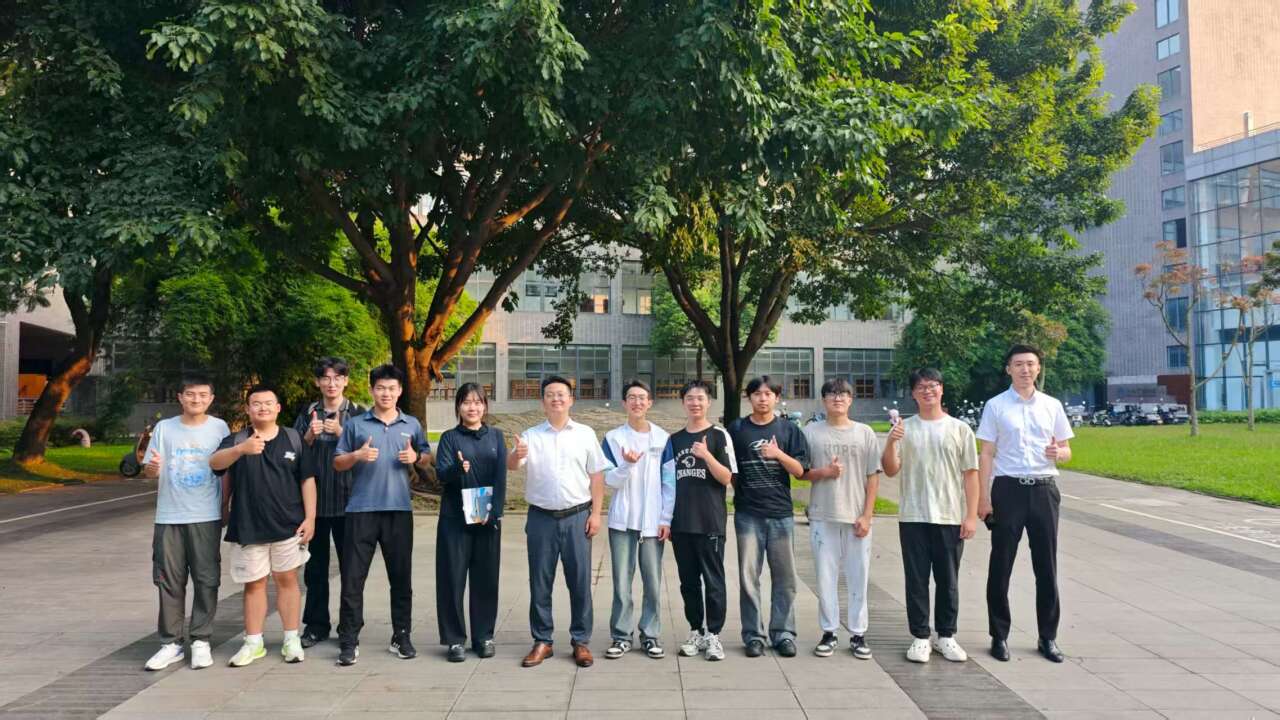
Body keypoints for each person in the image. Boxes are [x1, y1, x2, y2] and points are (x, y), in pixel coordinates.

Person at [976, 345, 1074, 663]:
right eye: (1018, 364)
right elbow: (986, 453)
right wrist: (983, 497)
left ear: (1039, 368)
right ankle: (999, 636)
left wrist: (1059, 453)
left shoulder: (1051, 405)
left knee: (1046, 567)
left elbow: (1066, 450)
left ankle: (1048, 637)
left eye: (1031, 364)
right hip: (1008, 489)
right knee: (1001, 564)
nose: (1025, 369)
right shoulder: (996, 406)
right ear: (1008, 369)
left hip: (1044, 490)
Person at [332, 364, 432, 666]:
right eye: (380, 388)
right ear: (371, 390)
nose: (386, 393)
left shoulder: (411, 424)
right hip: (360, 511)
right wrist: (357, 455)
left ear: (400, 390)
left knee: (401, 578)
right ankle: (349, 639)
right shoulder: (355, 425)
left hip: (398, 511)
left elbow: (426, 457)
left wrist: (416, 457)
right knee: (353, 579)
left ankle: (401, 635)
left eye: (391, 388)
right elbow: (338, 462)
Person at [209, 385, 317, 667]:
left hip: (289, 525)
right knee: (254, 584)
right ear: (247, 409)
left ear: (278, 408)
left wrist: (310, 518)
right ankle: (253, 642)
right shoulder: (237, 439)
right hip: (248, 525)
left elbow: (307, 480)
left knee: (288, 580)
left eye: (269, 403)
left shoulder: (293, 438)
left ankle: (291, 639)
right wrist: (241, 450)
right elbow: (215, 464)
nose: (263, 408)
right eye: (256, 403)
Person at [508, 375, 609, 668]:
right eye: (550, 394)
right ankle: (543, 640)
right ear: (543, 401)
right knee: (540, 581)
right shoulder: (531, 435)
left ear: (571, 400)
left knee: (580, 581)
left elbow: (597, 476)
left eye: (561, 394)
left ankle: (581, 641)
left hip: (577, 516)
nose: (556, 399)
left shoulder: (585, 434)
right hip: (541, 518)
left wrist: (596, 514)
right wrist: (516, 454)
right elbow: (513, 466)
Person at [881, 368, 979, 663]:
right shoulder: (905, 428)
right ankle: (921, 637)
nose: (928, 391)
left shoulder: (960, 429)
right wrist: (891, 442)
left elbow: (970, 475)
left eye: (933, 385)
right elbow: (890, 469)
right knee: (916, 579)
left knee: (948, 580)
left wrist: (970, 516)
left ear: (941, 389)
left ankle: (946, 635)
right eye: (921, 387)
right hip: (913, 515)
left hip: (949, 516)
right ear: (913, 394)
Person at [142, 374, 230, 671]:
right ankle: (171, 643)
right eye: (190, 394)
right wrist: (153, 468)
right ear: (180, 397)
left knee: (207, 579)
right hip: (169, 515)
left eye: (203, 395)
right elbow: (150, 471)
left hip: (206, 514)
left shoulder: (219, 428)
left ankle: (201, 639)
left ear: (211, 399)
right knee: (168, 579)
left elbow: (226, 471)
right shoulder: (165, 428)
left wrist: (225, 506)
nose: (196, 399)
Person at [726, 375, 810, 658]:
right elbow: (731, 471)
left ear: (776, 397)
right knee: (749, 577)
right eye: (757, 394)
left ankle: (783, 634)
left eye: (768, 394)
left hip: (781, 514)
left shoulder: (789, 429)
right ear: (749, 397)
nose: (763, 398)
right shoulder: (736, 429)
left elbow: (800, 471)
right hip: (748, 514)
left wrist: (777, 454)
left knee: (785, 578)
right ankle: (753, 635)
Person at [800, 378, 882, 660]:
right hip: (823, 514)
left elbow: (873, 476)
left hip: (856, 516)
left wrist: (867, 515)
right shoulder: (810, 432)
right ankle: (829, 631)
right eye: (832, 394)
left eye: (843, 394)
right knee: (825, 577)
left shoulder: (864, 433)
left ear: (851, 400)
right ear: (823, 400)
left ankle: (858, 633)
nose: (838, 398)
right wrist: (825, 472)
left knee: (859, 576)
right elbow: (801, 472)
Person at [661, 379, 736, 662]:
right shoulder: (674, 440)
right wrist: (666, 519)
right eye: (690, 398)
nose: (695, 403)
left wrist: (706, 456)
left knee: (714, 582)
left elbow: (727, 478)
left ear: (709, 402)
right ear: (683, 403)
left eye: (700, 398)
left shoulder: (719, 435)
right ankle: (696, 631)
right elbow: (668, 483)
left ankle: (714, 635)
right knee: (688, 583)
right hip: (682, 524)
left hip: (710, 522)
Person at [432, 382, 507, 662]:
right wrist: (457, 468)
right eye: (466, 402)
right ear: (458, 407)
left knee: (486, 578)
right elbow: (441, 474)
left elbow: (501, 476)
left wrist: (495, 511)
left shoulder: (496, 436)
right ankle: (454, 640)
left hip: (486, 516)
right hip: (454, 518)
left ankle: (484, 636)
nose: (472, 407)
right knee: (451, 578)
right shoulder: (450, 438)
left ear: (485, 406)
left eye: (477, 402)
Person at [294, 357, 364, 649]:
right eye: (326, 378)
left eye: (337, 378)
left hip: (351, 503)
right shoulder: (308, 412)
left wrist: (341, 433)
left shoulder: (358, 414)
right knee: (315, 570)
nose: (332, 383)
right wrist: (309, 435)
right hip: (315, 505)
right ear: (318, 382)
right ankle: (315, 625)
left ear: (346, 381)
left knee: (351, 570)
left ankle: (349, 626)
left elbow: (369, 453)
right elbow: (293, 452)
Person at [601, 380, 670, 660]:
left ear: (650, 403)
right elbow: (608, 480)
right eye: (632, 397)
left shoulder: (663, 438)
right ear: (624, 403)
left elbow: (669, 483)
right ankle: (621, 636)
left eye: (642, 397)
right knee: (621, 583)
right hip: (622, 522)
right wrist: (627, 465)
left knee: (652, 582)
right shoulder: (613, 438)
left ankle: (650, 635)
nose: (637, 402)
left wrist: (666, 518)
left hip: (652, 523)